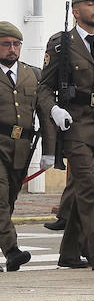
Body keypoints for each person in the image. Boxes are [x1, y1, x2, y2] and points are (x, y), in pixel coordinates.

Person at [38, 0, 94, 271]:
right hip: (75, 123)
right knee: (86, 187)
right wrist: (54, 109)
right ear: (76, 11)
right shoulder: (61, 44)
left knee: (88, 189)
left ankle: (69, 253)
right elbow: (44, 88)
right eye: (90, 4)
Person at [0, 22, 45, 271]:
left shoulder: (33, 74)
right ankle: (12, 250)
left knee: (9, 198)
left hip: (22, 146)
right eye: (6, 44)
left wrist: (51, 151)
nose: (12, 49)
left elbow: (44, 114)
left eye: (16, 44)